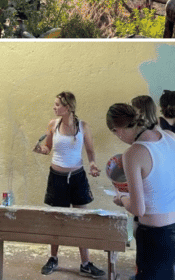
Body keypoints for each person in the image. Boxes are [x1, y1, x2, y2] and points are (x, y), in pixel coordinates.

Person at [107, 103, 175, 280]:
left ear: (117, 130)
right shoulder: (171, 136)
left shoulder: (133, 152)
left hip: (160, 238)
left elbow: (138, 209)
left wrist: (122, 198)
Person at [33, 92, 105, 277]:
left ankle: (85, 263)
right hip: (57, 178)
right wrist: (40, 149)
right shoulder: (53, 124)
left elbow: (90, 151)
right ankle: (53, 258)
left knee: (80, 220)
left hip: (77, 177)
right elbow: (48, 148)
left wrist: (93, 165)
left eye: (57, 104)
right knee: (57, 220)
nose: (54, 107)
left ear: (68, 107)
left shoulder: (83, 126)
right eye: (54, 104)